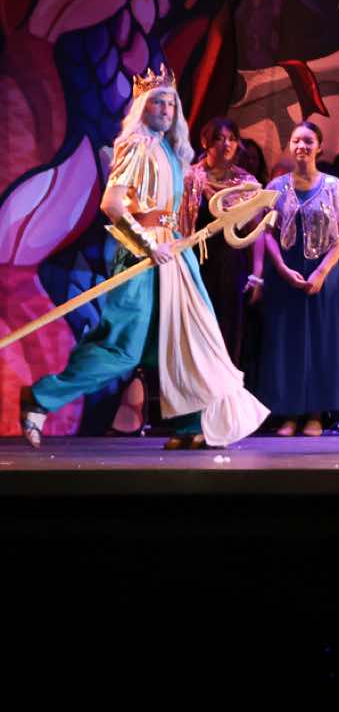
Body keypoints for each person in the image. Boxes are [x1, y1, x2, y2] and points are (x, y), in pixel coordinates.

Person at [19, 69, 267, 449]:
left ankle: (190, 425)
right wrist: (148, 245)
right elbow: (112, 204)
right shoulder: (136, 145)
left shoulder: (171, 151)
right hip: (143, 255)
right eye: (157, 102)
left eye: (170, 103)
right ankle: (41, 397)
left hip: (174, 253)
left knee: (184, 339)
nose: (166, 109)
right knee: (123, 347)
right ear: (142, 107)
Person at [252, 120, 339, 435]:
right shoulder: (275, 187)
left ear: (319, 147)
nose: (302, 146)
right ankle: (290, 413)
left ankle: (315, 414)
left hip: (324, 271)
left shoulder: (334, 186)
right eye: (297, 140)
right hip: (285, 269)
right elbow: (266, 233)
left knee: (322, 339)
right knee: (287, 340)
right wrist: (282, 269)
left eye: (308, 141)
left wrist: (322, 271)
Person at [182, 116, 262, 371]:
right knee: (195, 327)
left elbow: (257, 231)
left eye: (232, 139)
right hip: (195, 262)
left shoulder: (246, 183)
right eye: (219, 138)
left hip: (231, 264)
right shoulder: (189, 178)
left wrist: (257, 274)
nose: (226, 144)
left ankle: (224, 389)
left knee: (228, 328)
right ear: (205, 142)